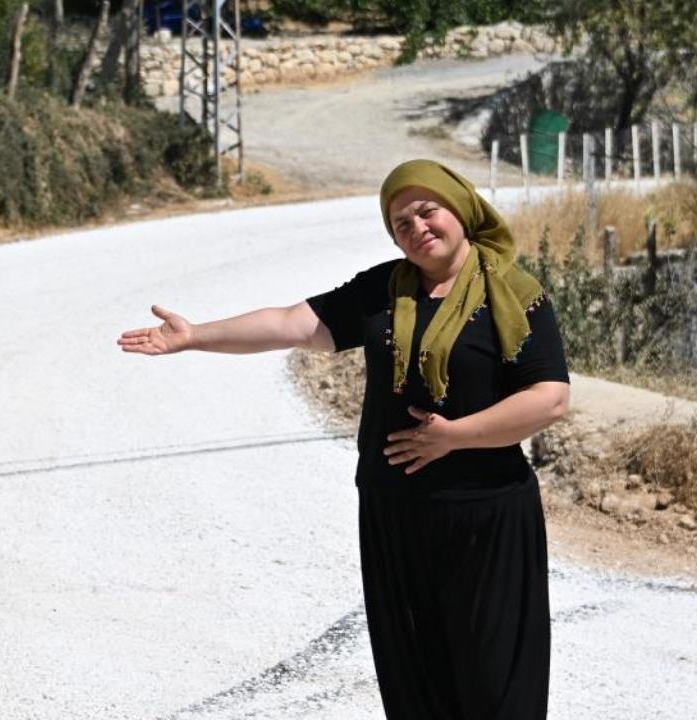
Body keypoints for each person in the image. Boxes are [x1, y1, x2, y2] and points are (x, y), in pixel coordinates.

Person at [117, 159, 569, 719]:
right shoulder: (385, 289)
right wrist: (194, 336)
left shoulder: (515, 295)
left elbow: (549, 397)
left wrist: (453, 437)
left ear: (461, 208)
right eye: (401, 223)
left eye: (428, 211)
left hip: (486, 516)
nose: (418, 228)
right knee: (415, 683)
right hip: (394, 513)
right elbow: (291, 324)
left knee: (496, 684)